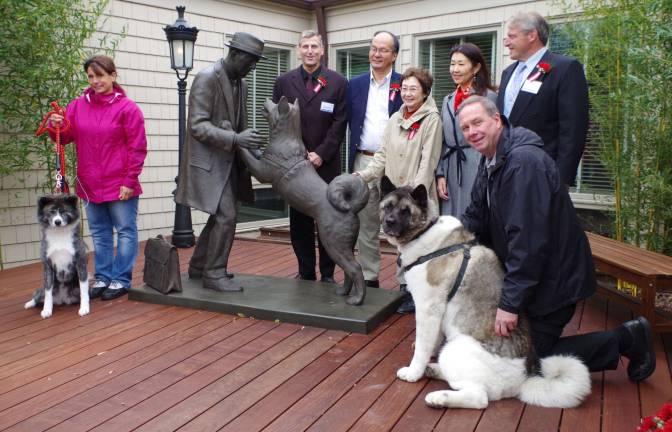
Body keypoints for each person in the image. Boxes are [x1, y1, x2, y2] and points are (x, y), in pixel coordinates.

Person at [458, 95, 656, 381]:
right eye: (465, 128)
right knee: (503, 352)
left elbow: (527, 242)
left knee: (523, 363)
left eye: (477, 122)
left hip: (554, 281)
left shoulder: (523, 163)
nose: (471, 132)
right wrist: (444, 243)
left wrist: (509, 304)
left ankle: (626, 339)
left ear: (497, 120)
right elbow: (476, 214)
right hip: (533, 278)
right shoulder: (491, 158)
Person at [49, 55, 147, 300]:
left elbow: (137, 148)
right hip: (89, 183)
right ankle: (103, 276)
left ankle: (121, 279)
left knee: (125, 230)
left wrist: (129, 181)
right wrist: (56, 125)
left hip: (119, 183)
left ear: (113, 76)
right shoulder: (77, 105)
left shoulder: (128, 109)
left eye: (100, 75)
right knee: (100, 232)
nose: (95, 81)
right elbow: (66, 136)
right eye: (91, 76)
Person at [175, 32, 266, 292]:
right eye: (250, 61)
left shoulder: (242, 84)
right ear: (235, 55)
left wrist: (253, 151)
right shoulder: (206, 78)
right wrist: (235, 138)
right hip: (209, 164)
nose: (253, 67)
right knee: (227, 216)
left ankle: (199, 266)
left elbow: (241, 124)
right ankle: (213, 274)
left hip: (230, 163)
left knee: (219, 217)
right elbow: (197, 126)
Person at [355, 67, 443, 314]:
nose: (407, 93)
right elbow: (382, 155)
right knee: (401, 243)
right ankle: (405, 288)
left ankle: (412, 292)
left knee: (417, 245)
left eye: (413, 89)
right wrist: (364, 175)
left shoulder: (432, 120)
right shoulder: (395, 119)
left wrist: (414, 193)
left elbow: (428, 160)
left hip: (416, 197)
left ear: (425, 92)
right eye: (404, 88)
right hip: (395, 193)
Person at [272, 30, 348, 283]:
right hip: (295, 164)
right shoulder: (284, 82)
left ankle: (327, 274)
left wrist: (321, 153)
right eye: (305, 46)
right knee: (300, 222)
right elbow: (278, 120)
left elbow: (340, 122)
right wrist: (300, 152)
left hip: (326, 164)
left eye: (314, 46)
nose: (310, 51)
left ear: (323, 50)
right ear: (298, 50)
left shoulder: (338, 82)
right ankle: (305, 272)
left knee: (327, 220)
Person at [498, 11, 589, 187]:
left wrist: (561, 180)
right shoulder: (508, 73)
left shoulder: (565, 68)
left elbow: (573, 130)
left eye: (511, 36)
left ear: (532, 35)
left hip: (543, 174)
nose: (507, 43)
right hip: (505, 173)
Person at [347, 30, 404, 289]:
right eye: (373, 48)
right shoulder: (355, 84)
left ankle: (406, 283)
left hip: (397, 163)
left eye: (383, 50)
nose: (376, 54)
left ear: (394, 55)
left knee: (403, 223)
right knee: (366, 224)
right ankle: (370, 277)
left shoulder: (405, 84)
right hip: (364, 162)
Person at [436, 43, 497, 218]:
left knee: (474, 218)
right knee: (450, 223)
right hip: (450, 168)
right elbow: (442, 141)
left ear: (476, 67)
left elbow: (496, 137)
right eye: (452, 64)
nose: (455, 69)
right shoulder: (447, 100)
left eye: (461, 64)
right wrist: (440, 174)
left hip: (477, 164)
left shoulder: (488, 97)